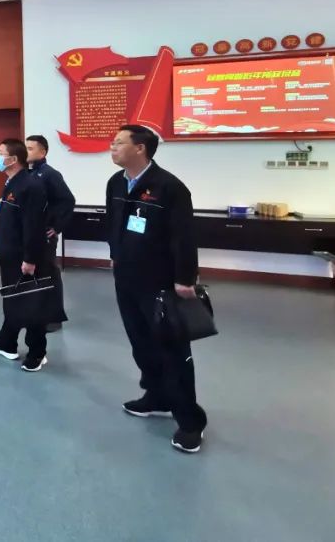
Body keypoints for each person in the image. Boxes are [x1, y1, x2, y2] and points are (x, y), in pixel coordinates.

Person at [107, 124, 208, 454]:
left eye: (119, 142)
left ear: (140, 148)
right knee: (141, 343)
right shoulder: (115, 183)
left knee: (172, 351)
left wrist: (185, 278)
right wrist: (115, 255)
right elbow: (114, 224)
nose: (112, 147)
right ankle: (156, 395)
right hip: (126, 278)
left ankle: (190, 421)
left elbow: (184, 236)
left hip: (160, 282)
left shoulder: (169, 187)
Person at [0, 138, 50, 371]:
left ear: (13, 159)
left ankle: (37, 352)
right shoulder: (12, 182)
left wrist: (30, 259)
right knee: (13, 301)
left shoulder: (30, 186)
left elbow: (33, 226)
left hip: (23, 258)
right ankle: (7, 343)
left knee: (31, 304)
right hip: (9, 254)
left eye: (0, 153)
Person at [26, 135, 76, 331]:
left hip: (45, 235)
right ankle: (35, 313)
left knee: (48, 274)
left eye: (30, 148)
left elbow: (67, 200)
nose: (26, 151)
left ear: (42, 152)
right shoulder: (27, 173)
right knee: (33, 274)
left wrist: (56, 227)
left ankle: (53, 318)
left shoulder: (49, 174)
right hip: (30, 234)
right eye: (25, 147)